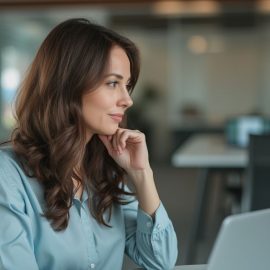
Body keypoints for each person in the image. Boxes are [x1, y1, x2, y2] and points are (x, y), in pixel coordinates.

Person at [0, 18, 178, 270]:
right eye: (113, 83)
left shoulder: (104, 170)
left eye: (127, 86)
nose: (128, 100)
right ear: (69, 85)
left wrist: (141, 174)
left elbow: (160, 261)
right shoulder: (7, 176)